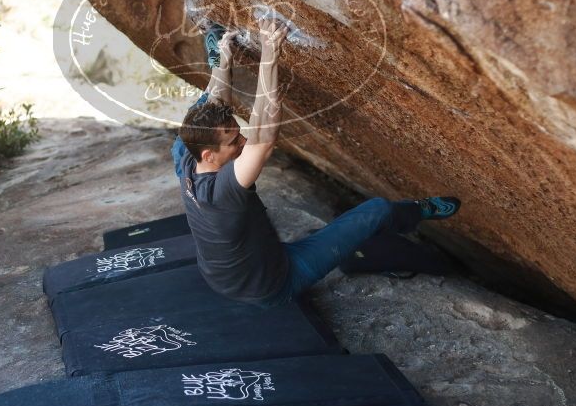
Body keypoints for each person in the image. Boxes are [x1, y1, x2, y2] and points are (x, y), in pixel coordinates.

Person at [171, 15, 461, 306]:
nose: (242, 141)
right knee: (378, 210)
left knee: (197, 120)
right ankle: (417, 211)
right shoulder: (221, 194)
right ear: (209, 156)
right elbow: (263, 138)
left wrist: (225, 56)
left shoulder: (189, 154)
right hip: (275, 283)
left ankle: (219, 58)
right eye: (235, 142)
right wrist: (270, 55)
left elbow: (216, 110)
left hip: (225, 273)